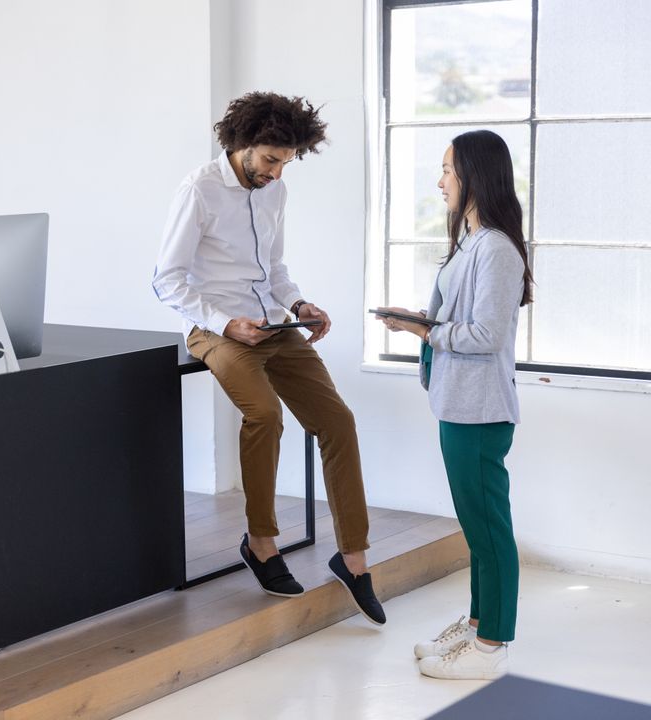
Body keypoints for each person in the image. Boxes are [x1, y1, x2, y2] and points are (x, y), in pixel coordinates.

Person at [153, 91, 384, 624]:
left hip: (275, 326)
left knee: (337, 421)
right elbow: (167, 279)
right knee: (265, 415)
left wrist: (299, 304)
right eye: (270, 160)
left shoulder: (274, 192)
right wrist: (225, 322)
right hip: (218, 330)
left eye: (287, 162)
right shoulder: (199, 190)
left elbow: (273, 269)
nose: (277, 173)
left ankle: (354, 559)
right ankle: (261, 542)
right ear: (242, 144)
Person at [377, 129, 533, 679]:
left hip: (480, 411)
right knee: (477, 527)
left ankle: (491, 647)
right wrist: (419, 323)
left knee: (489, 530)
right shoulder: (470, 241)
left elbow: (485, 334)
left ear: (474, 175)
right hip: (457, 404)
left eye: (447, 169)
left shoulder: (495, 248)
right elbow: (453, 322)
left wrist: (427, 330)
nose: (439, 179)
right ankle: (476, 626)